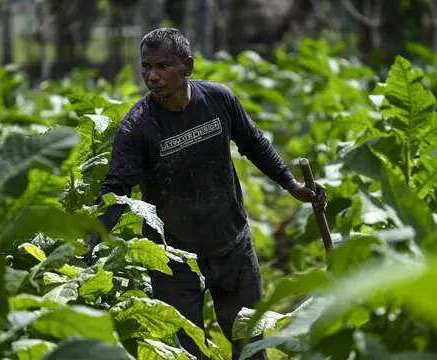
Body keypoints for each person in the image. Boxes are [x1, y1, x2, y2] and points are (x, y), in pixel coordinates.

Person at [94, 28, 326, 360]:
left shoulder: (218, 100)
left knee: (249, 345)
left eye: (162, 66)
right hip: (173, 259)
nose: (152, 76)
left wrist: (292, 186)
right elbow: (115, 189)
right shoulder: (137, 128)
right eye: (146, 67)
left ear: (187, 65)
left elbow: (253, 142)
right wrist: (90, 241)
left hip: (232, 246)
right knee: (188, 352)